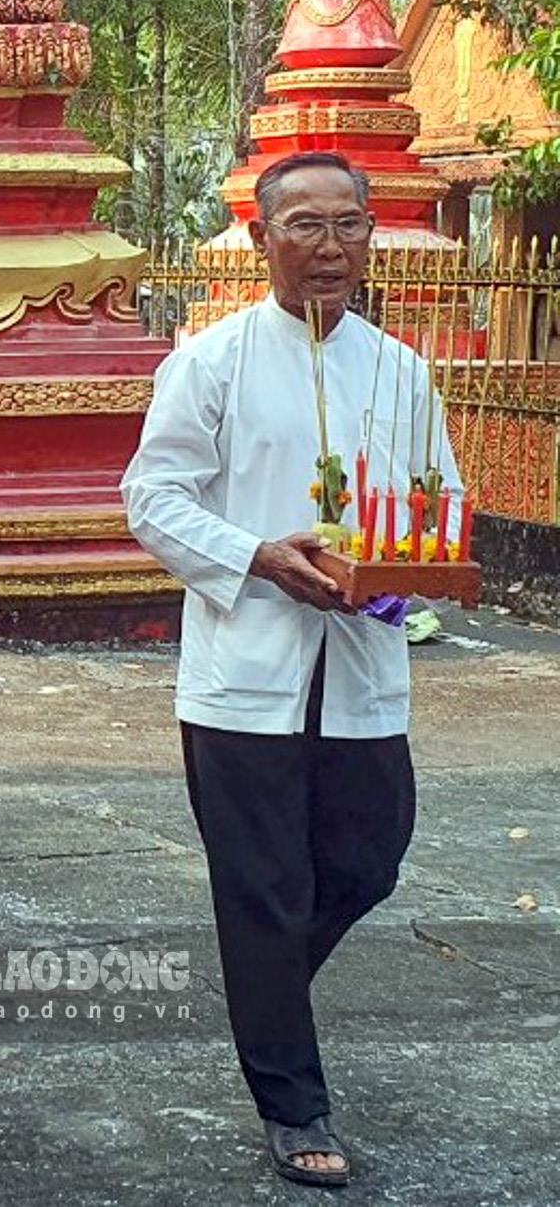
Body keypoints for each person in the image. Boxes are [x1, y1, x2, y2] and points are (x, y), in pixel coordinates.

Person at [122, 151, 459, 1190]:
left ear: (371, 235)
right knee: (264, 889)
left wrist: (398, 579)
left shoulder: (401, 369)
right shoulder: (212, 361)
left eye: (348, 224)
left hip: (361, 664)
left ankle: (262, 988)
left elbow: (435, 504)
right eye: (304, 225)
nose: (329, 245)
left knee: (369, 858)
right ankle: (294, 1099)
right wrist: (258, 555)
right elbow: (154, 497)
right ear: (263, 238)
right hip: (245, 672)